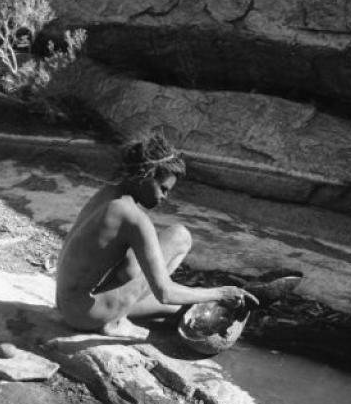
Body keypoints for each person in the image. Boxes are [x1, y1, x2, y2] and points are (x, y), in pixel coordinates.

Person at [55, 134, 258, 339]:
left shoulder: (109, 194)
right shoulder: (133, 217)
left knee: (179, 237)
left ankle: (177, 309)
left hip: (67, 304)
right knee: (175, 285)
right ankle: (115, 320)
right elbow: (165, 293)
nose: (164, 197)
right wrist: (221, 293)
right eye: (162, 188)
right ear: (146, 175)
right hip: (85, 315)